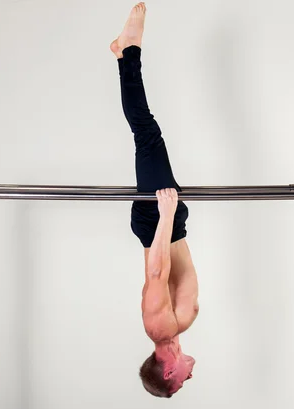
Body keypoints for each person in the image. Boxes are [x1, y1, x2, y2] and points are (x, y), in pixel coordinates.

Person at [110, 2, 198, 398]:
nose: (187, 380)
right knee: (147, 134)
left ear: (167, 372)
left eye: (179, 384)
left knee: (146, 132)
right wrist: (172, 221)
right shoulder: (174, 329)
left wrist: (165, 215)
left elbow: (157, 274)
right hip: (167, 223)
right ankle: (123, 53)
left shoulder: (159, 327)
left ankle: (128, 51)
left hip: (157, 220)